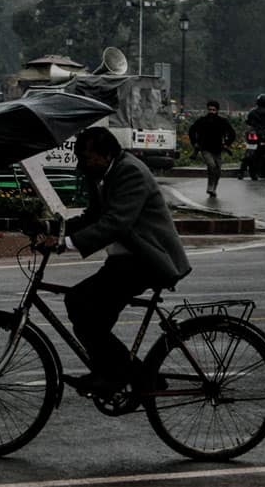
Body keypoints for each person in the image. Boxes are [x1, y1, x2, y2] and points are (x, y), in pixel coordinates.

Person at [40, 127, 192, 396]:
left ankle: (123, 375)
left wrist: (65, 244)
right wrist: (52, 227)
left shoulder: (129, 172)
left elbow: (114, 224)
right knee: (85, 311)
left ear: (106, 154)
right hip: (126, 260)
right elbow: (93, 216)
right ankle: (125, 374)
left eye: (86, 158)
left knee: (81, 304)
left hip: (147, 260)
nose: (81, 165)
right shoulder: (107, 173)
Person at [188, 100, 236, 197]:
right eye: (210, 109)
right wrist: (195, 143)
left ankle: (213, 188)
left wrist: (227, 144)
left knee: (218, 169)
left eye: (213, 110)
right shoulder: (202, 121)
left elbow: (232, 133)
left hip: (217, 149)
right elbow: (191, 130)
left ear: (217, 110)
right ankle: (210, 186)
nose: (211, 112)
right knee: (211, 165)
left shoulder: (222, 121)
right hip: (205, 148)